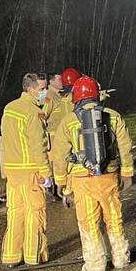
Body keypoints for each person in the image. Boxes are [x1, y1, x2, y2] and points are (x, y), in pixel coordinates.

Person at [53, 75, 134, 271]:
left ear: (76, 97)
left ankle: (96, 265)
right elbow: (125, 146)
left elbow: (60, 155)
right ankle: (121, 258)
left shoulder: (69, 121)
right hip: (108, 175)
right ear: (97, 95)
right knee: (113, 217)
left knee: (89, 221)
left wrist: (61, 182)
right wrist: (127, 173)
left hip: (82, 180)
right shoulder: (113, 116)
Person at [0, 73, 53, 267]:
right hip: (30, 170)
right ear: (30, 90)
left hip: (12, 170)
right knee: (34, 212)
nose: (45, 92)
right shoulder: (33, 112)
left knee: (15, 212)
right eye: (42, 89)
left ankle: (11, 256)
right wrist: (46, 173)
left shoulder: (9, 108)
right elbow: (38, 146)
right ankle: (33, 255)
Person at [42, 68, 79, 201]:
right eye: (59, 79)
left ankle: (65, 187)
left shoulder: (61, 95)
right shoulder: (49, 97)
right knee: (56, 163)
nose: (62, 81)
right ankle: (54, 190)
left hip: (63, 135)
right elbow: (42, 114)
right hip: (54, 138)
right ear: (51, 81)